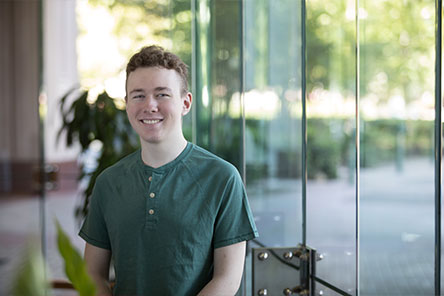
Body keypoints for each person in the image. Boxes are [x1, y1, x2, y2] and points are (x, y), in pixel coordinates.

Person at [79, 45, 258, 296]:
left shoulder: (223, 178)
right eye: (138, 95)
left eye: (162, 94)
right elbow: (92, 274)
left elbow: (227, 279)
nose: (150, 105)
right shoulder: (108, 182)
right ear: (127, 104)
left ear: (186, 103)